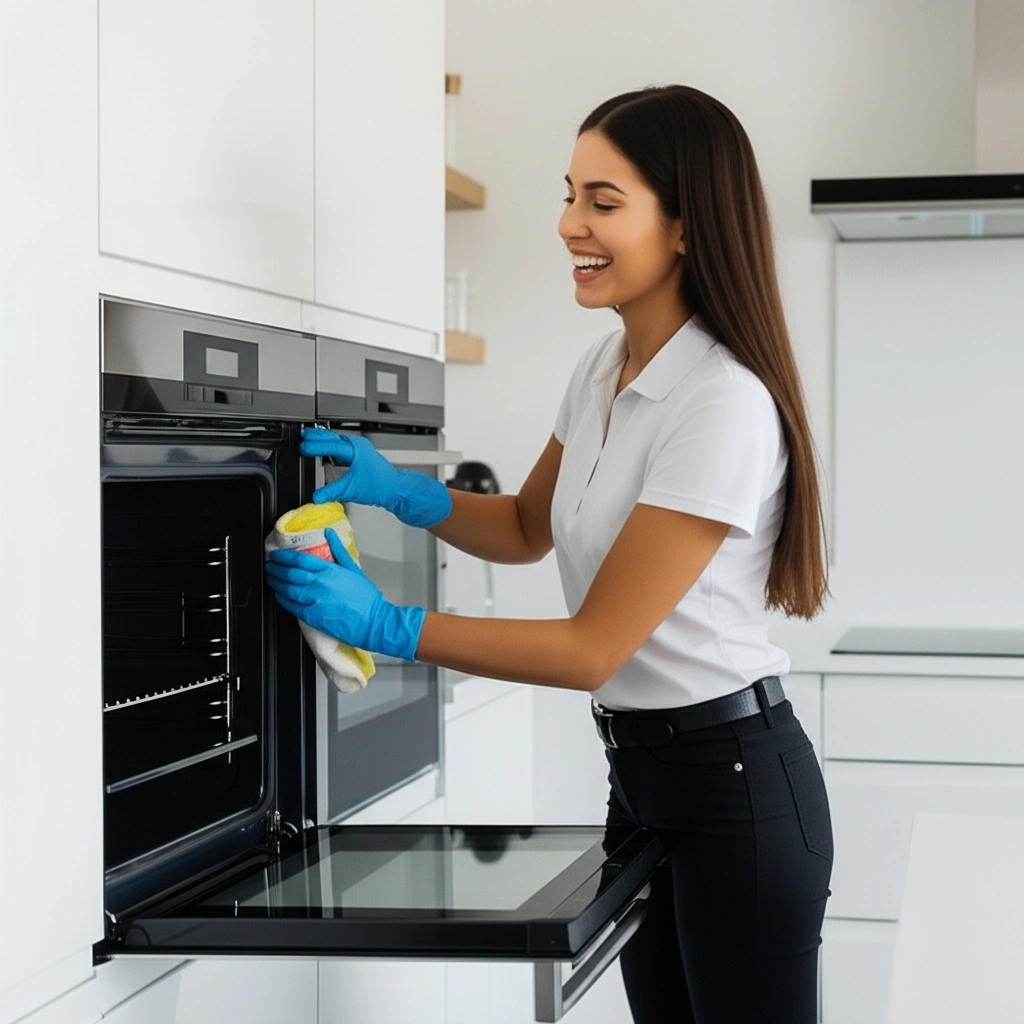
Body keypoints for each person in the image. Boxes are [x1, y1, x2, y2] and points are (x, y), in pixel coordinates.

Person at [266, 83, 833, 1023]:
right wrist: (400, 489)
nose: (571, 224)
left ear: (686, 226)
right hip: (644, 781)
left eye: (603, 202)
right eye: (569, 195)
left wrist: (389, 625)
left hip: (737, 790)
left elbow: (592, 648)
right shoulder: (604, 368)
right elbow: (528, 526)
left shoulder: (722, 402)